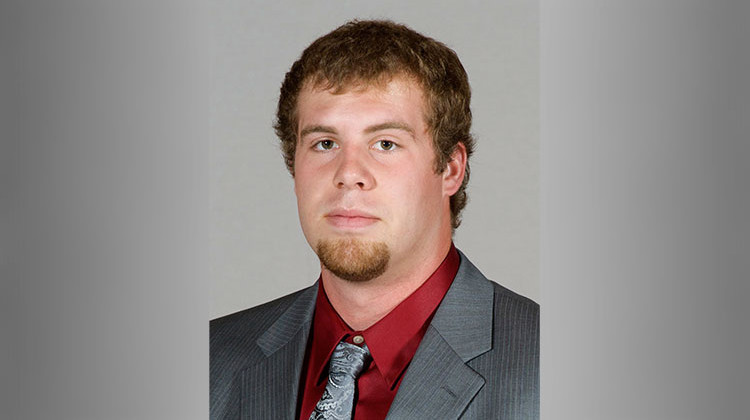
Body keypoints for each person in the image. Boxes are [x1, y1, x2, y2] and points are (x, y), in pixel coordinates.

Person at [210, 20, 539, 420]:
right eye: (324, 143)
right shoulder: (212, 360)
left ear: (450, 170)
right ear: (294, 165)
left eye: (385, 143)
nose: (349, 173)